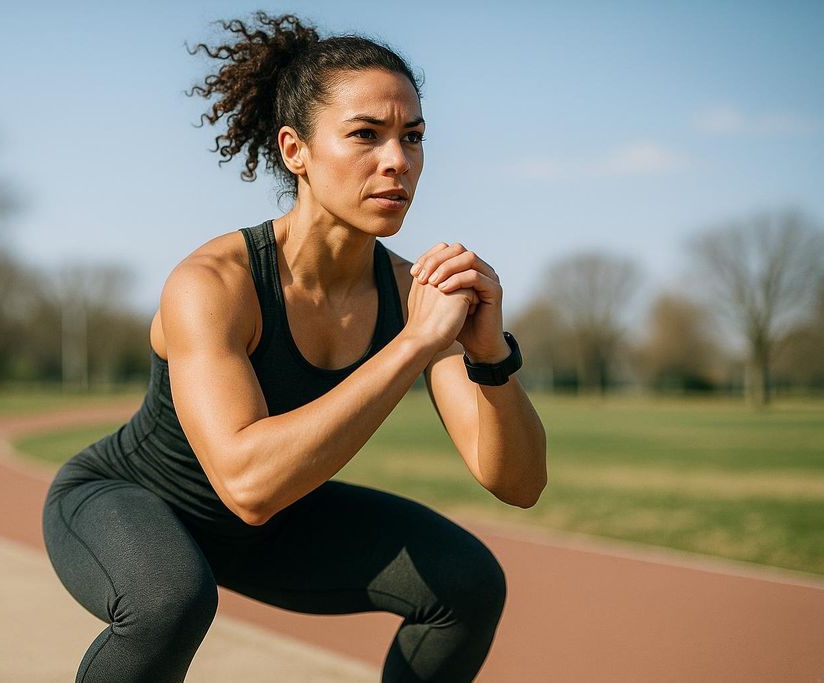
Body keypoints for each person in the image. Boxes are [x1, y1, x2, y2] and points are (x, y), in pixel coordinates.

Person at [42, 11, 547, 682]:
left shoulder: (411, 292)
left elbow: (517, 481)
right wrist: (415, 343)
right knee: (171, 599)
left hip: (274, 522)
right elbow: (247, 482)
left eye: (413, 136)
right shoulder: (213, 282)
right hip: (130, 502)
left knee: (467, 581)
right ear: (295, 150)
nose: (397, 160)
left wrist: (490, 360)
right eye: (366, 135)